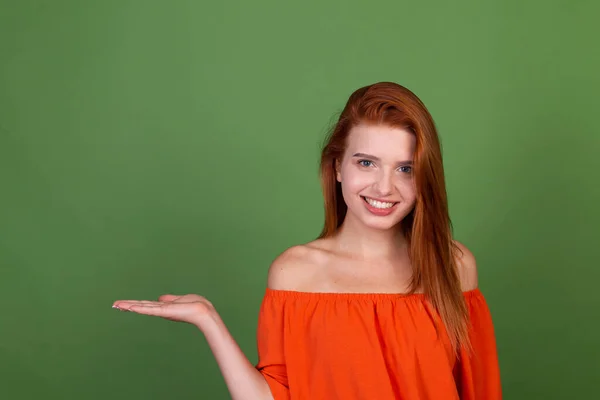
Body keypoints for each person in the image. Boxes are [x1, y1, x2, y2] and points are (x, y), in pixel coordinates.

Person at [113, 82, 502, 399]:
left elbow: (480, 391)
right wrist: (208, 320)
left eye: (405, 169)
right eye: (366, 162)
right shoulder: (295, 273)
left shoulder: (454, 265)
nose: (385, 186)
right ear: (336, 167)